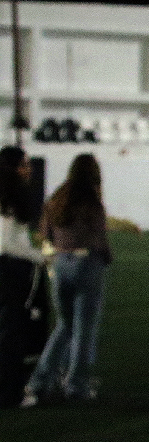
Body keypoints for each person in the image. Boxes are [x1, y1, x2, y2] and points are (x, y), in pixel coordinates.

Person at [23, 153, 112, 406]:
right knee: (84, 329)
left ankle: (40, 381)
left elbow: (45, 233)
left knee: (65, 324)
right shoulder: (92, 203)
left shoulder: (56, 200)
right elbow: (99, 238)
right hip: (87, 263)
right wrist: (106, 258)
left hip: (61, 263)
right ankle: (76, 384)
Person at [0, 146, 46, 408]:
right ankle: (11, 393)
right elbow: (7, 243)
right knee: (12, 331)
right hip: (11, 269)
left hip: (9, 265)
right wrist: (38, 256)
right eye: (24, 165)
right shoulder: (10, 197)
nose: (28, 170)